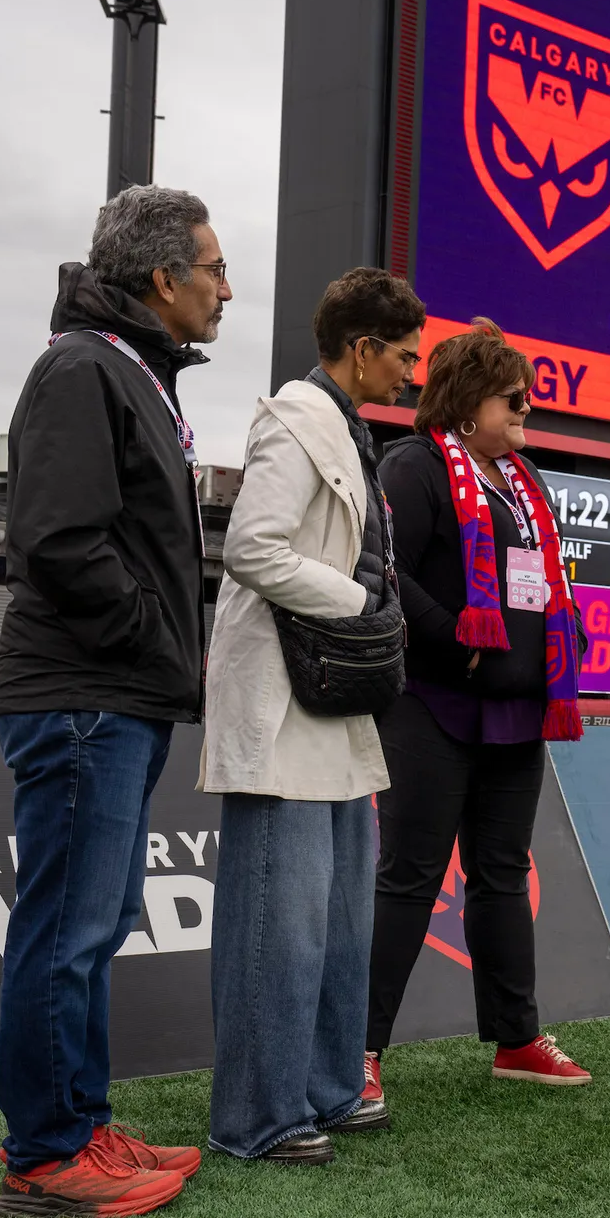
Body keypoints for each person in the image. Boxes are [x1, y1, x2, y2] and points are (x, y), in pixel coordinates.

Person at [0, 185, 228, 1218]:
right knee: (67, 931)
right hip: (86, 691)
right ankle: (46, 1155)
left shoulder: (129, 371)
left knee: (93, 924)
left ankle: (80, 1124)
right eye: (214, 269)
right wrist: (150, 637)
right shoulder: (85, 367)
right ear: (162, 277)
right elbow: (57, 538)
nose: (226, 290)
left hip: (118, 692)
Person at [200, 267, 424, 1165]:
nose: (410, 371)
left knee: (338, 923)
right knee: (278, 924)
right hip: (284, 697)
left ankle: (328, 1089)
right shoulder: (296, 419)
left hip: (332, 694)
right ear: (362, 349)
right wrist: (360, 604)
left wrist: (361, 611)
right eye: (402, 355)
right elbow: (252, 548)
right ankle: (256, 1117)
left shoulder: (347, 425)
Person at [364, 318, 591, 1101]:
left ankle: (516, 1038)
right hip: (432, 706)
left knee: (500, 876)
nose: (527, 410)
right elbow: (385, 568)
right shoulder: (414, 466)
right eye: (512, 399)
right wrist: (450, 634)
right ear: (466, 406)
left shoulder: (523, 481)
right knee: (410, 877)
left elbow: (544, 579)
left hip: (516, 712)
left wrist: (566, 634)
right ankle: (358, 1049)